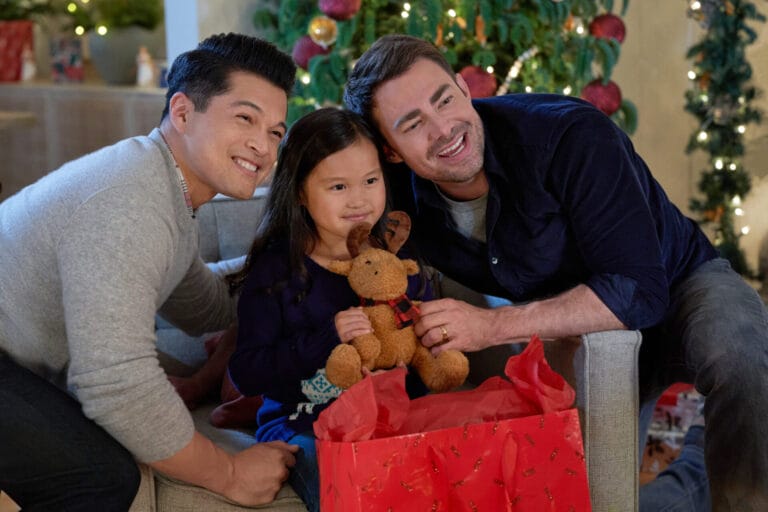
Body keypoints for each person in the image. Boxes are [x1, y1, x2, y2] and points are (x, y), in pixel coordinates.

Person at [343, 34, 768, 512]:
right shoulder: (388, 195)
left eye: (444, 100)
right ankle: (694, 471)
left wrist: (490, 325)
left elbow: (639, 290)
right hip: (577, 326)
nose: (443, 129)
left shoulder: (568, 135)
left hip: (678, 278)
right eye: (413, 124)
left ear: (464, 88)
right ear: (391, 151)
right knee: (587, 495)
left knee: (743, 349)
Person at [0, 33, 299, 510]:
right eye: (246, 118)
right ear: (182, 113)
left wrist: (301, 265)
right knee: (104, 477)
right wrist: (230, 472)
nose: (262, 147)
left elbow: (207, 306)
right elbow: (116, 385)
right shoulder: (131, 201)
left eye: (275, 132)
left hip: (20, 363)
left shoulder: (167, 190)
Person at [225, 107, 431, 512]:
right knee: (345, 478)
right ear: (300, 191)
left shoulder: (396, 263)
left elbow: (420, 359)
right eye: (338, 187)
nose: (359, 200)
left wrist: (429, 345)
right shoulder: (277, 271)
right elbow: (246, 371)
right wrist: (326, 339)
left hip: (391, 417)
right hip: (304, 424)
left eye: (371, 181)